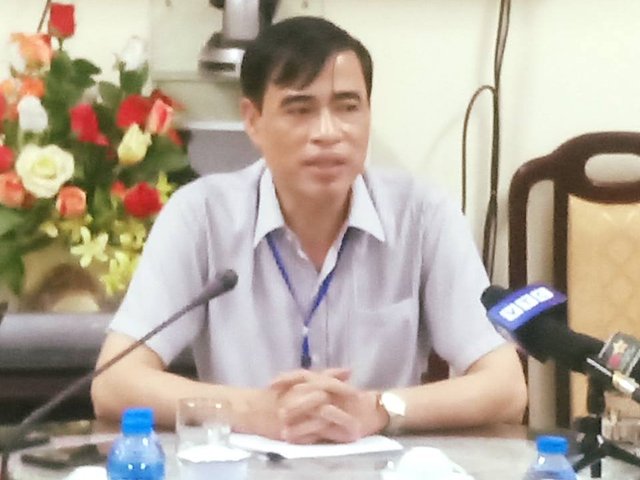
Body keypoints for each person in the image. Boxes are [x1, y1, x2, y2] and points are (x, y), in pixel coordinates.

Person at [91, 16, 527, 444]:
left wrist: (379, 409)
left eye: (348, 107)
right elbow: (114, 383)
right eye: (300, 110)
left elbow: (506, 388)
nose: (327, 132)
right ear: (253, 120)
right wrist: (250, 412)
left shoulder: (423, 215)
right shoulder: (201, 216)